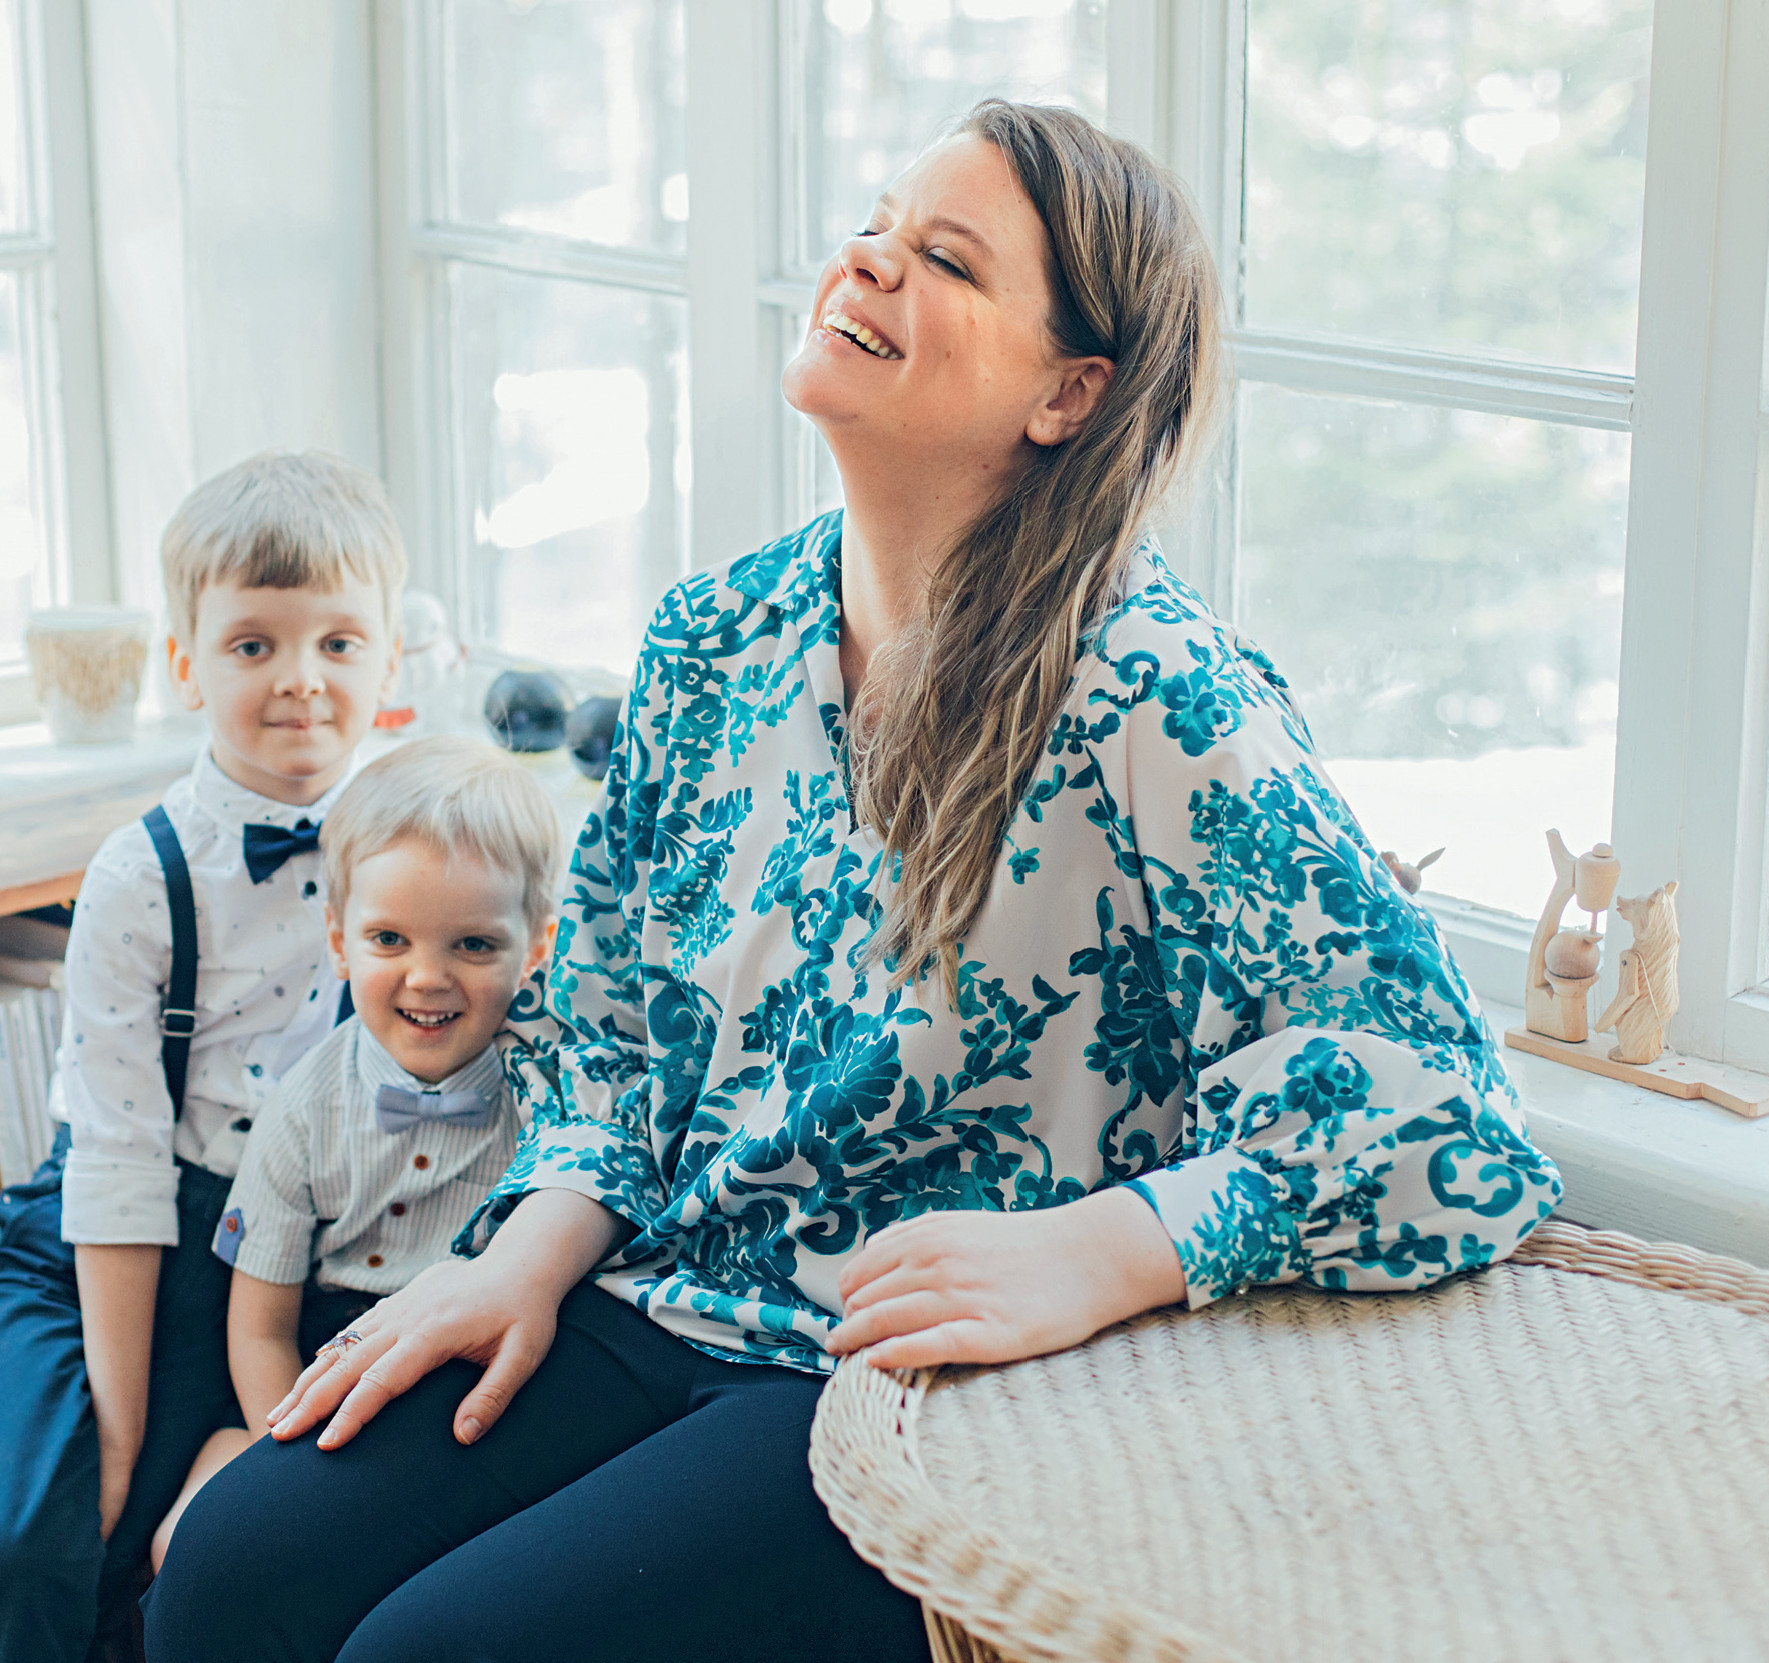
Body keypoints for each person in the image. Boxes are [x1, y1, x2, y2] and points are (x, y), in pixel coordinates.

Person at [146, 103, 1564, 1663]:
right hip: (663, 1279)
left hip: (911, 1379)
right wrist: (523, 1253)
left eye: (946, 257)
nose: (870, 257)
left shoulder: (1155, 695)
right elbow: (607, 1020)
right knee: (226, 1574)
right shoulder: (714, 635)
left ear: (1069, 392)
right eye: (880, 221)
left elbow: (1445, 1117)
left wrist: (1105, 1247)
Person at [0, 451, 404, 1663]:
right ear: (184, 665)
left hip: (309, 1255)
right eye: (253, 644)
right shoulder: (141, 874)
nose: (302, 679)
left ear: (389, 662)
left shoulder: (413, 842)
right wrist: (121, 1436)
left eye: (339, 641)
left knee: (232, 1552)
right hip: (131, 1234)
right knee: (57, 1525)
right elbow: (116, 1166)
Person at [147, 736, 561, 1569]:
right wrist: (286, 1455)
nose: (427, 977)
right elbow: (259, 1327)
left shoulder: (553, 1093)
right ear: (339, 941)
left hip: (473, 1380)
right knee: (186, 1539)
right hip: (319, 1364)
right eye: (389, 939)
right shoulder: (302, 1108)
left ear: (536, 946)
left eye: (473, 945)